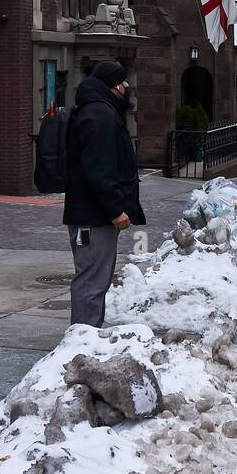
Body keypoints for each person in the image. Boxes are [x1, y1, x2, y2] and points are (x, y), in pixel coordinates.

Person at [64, 61, 146, 327]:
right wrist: (115, 210)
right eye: (123, 83)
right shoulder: (100, 116)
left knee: (95, 278)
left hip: (92, 215)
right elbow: (99, 170)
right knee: (92, 280)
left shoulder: (99, 111)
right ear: (112, 85)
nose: (127, 87)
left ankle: (86, 335)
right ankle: (81, 343)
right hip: (94, 217)